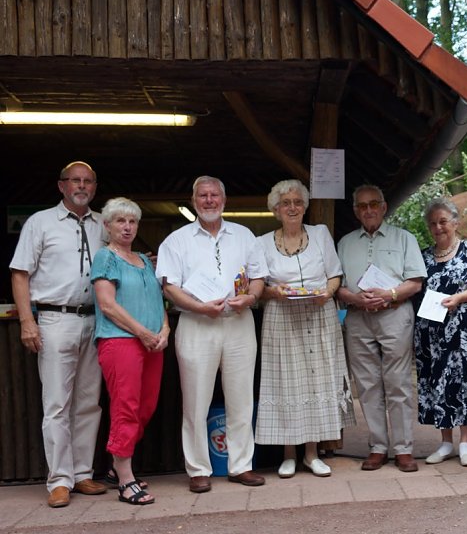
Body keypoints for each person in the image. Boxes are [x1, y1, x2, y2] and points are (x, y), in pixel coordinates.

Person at [156, 176, 268, 493]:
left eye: (214, 195)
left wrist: (252, 298)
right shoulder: (176, 240)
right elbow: (169, 286)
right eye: (203, 195)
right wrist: (199, 307)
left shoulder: (245, 236)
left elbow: (258, 278)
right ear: (194, 201)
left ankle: (241, 465)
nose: (209, 200)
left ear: (224, 199)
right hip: (196, 324)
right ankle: (198, 468)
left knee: (241, 398)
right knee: (195, 401)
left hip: (239, 321)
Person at [9, 161, 108, 508]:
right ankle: (59, 480)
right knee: (56, 405)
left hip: (95, 320)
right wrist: (26, 320)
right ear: (61, 185)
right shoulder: (40, 223)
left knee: (88, 403)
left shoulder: (103, 225)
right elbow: (20, 274)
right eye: (75, 180)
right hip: (54, 319)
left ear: (94, 187)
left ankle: (82, 474)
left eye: (88, 181)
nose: (81, 186)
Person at [254, 180, 355, 478]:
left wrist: (327, 292)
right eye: (286, 203)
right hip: (281, 317)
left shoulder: (320, 233)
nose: (293, 207)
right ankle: (288, 453)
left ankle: (311, 454)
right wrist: (275, 292)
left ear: (305, 206)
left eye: (298, 202)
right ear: (276, 209)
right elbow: (259, 286)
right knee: (284, 381)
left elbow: (335, 274)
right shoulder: (261, 243)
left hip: (319, 314)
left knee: (317, 380)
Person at [336, 185, 426, 473]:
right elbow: (337, 286)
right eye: (362, 206)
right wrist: (354, 298)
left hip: (395, 315)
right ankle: (377, 446)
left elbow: (416, 282)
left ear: (384, 207)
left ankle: (403, 448)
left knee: (397, 381)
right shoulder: (346, 243)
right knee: (367, 384)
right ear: (355, 211)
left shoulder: (404, 239)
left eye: (374, 204)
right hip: (358, 317)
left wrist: (389, 295)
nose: (369, 210)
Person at [91, 197, 169, 504]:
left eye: (132, 221)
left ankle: (116, 466)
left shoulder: (144, 260)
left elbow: (158, 300)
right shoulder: (105, 257)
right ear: (107, 225)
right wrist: (143, 333)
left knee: (145, 407)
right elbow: (107, 305)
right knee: (126, 406)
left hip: (152, 343)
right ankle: (125, 478)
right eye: (120, 221)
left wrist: (164, 330)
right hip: (120, 341)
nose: (127, 227)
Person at [414, 199, 467, 467]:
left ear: (455, 222)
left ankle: (465, 442)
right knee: (439, 382)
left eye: (443, 221)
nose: (438, 227)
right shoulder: (424, 256)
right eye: (433, 223)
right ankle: (445, 441)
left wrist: (458, 298)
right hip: (433, 331)